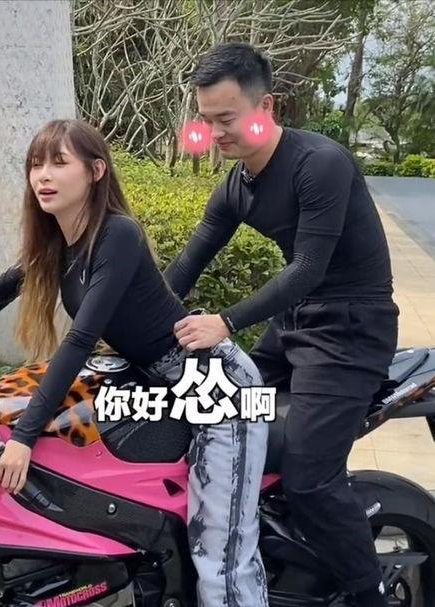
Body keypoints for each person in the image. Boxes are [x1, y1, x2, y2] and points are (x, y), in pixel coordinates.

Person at [0, 119, 268, 607]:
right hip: (156, 381)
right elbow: (6, 286)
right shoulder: (61, 240)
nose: (42, 175)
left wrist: (23, 438)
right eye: (35, 164)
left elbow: (81, 339)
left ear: (96, 171)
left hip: (215, 386)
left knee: (219, 548)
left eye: (58, 162)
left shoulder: (118, 233)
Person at [165, 42, 398, 607]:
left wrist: (225, 321)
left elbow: (308, 267)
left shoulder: (319, 163)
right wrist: (132, 320)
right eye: (207, 120)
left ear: (265, 106)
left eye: (226, 118)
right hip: (295, 324)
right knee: (207, 417)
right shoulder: (236, 185)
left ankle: (371, 593)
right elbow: (188, 265)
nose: (215, 133)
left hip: (351, 331)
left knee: (310, 477)